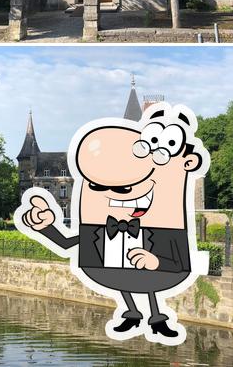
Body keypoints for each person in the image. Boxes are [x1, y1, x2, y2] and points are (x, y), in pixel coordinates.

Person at [16, 103, 209, 344]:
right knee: (123, 279)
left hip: (152, 274)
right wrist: (45, 226)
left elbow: (179, 260)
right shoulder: (98, 228)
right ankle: (131, 312)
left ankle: (157, 318)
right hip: (113, 273)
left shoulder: (163, 227)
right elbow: (66, 243)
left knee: (147, 281)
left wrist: (156, 260)